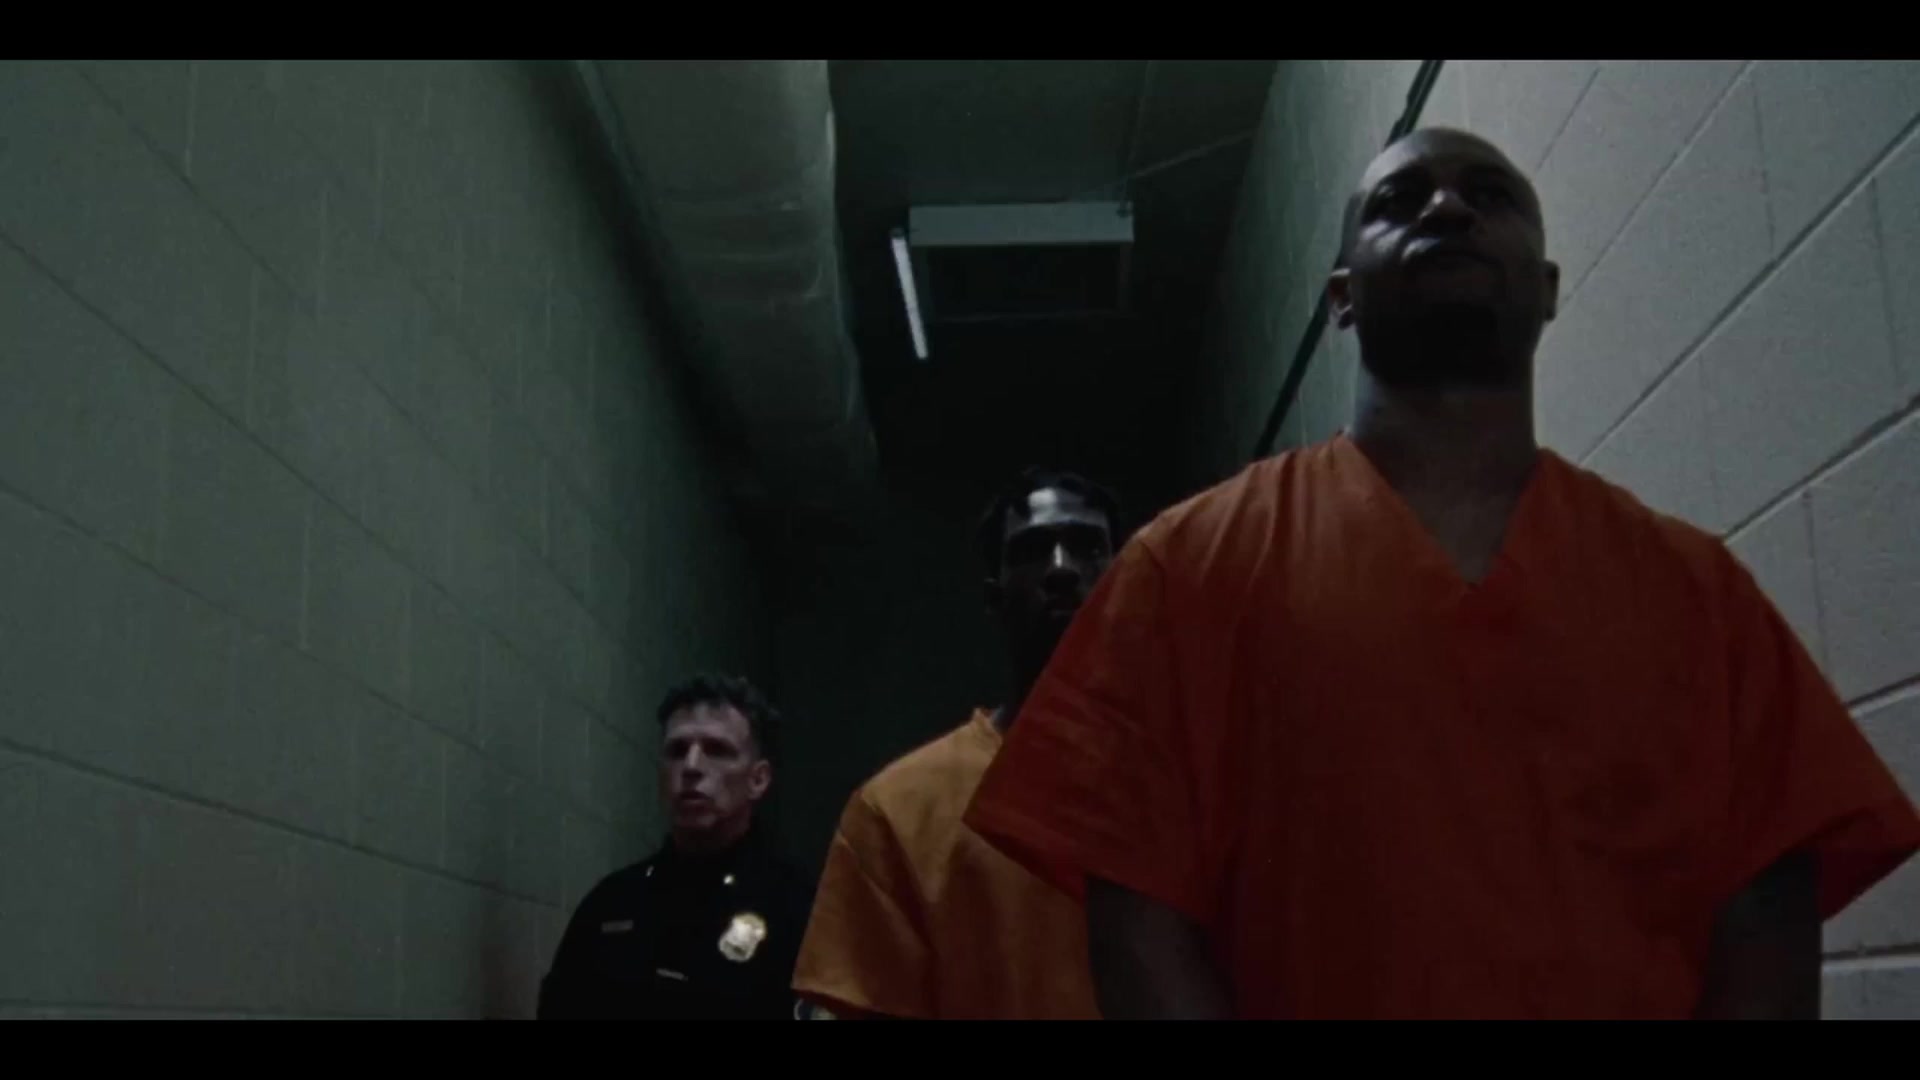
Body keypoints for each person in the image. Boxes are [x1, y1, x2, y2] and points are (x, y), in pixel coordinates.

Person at [964, 128, 1920, 1020]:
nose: (1449, 209)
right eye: (1401, 200)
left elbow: (1768, 910)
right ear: (1341, 297)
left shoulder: (1698, 594)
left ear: (1547, 289)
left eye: (1490, 196)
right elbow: (1135, 923)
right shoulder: (1182, 572)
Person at [791, 469, 1120, 1019]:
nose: (1062, 568)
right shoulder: (900, 810)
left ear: (1126, 582)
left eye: (1087, 547)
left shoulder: (1194, 786)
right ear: (995, 596)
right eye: (1032, 551)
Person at [538, 673, 813, 1020]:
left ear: (758, 779)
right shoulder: (612, 905)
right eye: (677, 751)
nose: (692, 766)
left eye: (717, 750)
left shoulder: (796, 909)